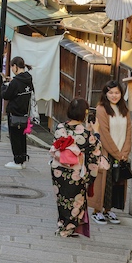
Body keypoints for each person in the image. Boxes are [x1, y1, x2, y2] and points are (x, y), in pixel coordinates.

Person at [50, 98, 103, 238]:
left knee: (62, 198)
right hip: (75, 171)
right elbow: (95, 151)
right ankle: (68, 228)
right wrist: (95, 132)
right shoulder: (86, 134)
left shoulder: (60, 127)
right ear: (84, 113)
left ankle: (62, 224)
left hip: (58, 169)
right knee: (75, 200)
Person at [89, 80, 132, 225]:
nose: (114, 96)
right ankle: (97, 211)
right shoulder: (102, 109)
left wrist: (125, 152)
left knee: (116, 182)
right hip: (106, 153)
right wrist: (118, 154)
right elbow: (104, 134)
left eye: (117, 92)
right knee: (103, 182)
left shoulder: (124, 110)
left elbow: (129, 132)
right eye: (111, 93)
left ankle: (109, 209)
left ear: (122, 93)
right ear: (105, 94)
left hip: (121, 153)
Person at [2, 56, 34, 169]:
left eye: (12, 67)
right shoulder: (28, 78)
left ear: (15, 66)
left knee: (15, 137)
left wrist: (4, 85)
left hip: (15, 113)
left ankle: (17, 161)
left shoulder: (16, 81)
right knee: (22, 137)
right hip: (24, 113)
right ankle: (23, 160)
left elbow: (6, 95)